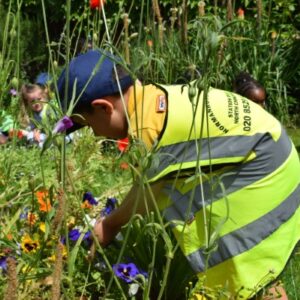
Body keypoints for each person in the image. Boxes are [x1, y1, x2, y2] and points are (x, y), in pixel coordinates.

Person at [57, 50, 300, 299]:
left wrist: (110, 224)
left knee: (244, 273)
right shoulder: (152, 97)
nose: (96, 135)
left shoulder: (149, 128)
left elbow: (146, 197)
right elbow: (153, 185)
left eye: (89, 125)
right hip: (276, 155)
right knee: (259, 275)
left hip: (265, 177)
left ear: (104, 107)